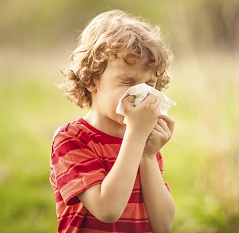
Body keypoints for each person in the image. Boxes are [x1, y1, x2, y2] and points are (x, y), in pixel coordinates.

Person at [50, 9, 175, 233]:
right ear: (91, 80)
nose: (142, 94)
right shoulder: (71, 140)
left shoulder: (144, 142)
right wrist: (136, 135)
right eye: (128, 82)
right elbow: (108, 209)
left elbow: (163, 225)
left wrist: (147, 155)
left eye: (151, 84)